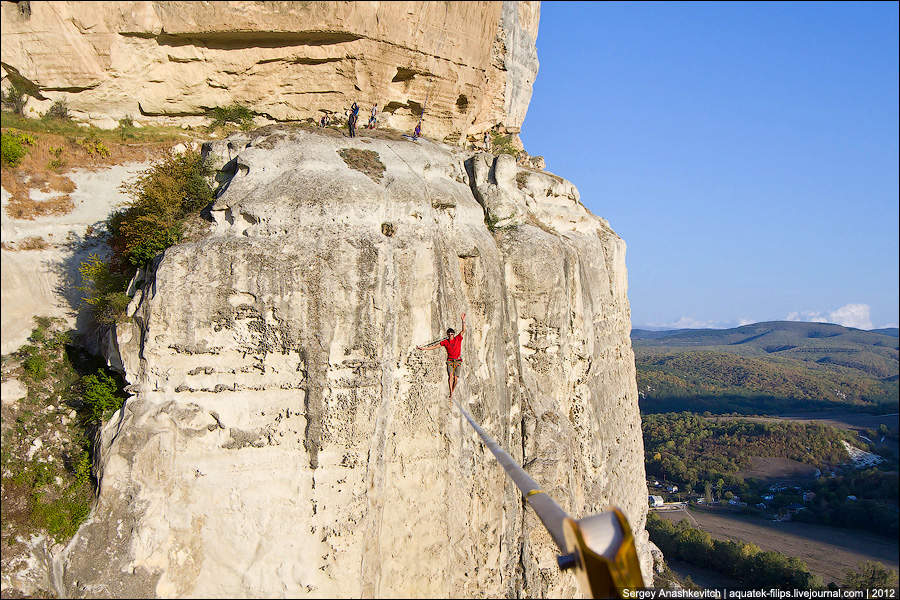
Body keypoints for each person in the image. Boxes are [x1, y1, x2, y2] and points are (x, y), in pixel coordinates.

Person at [417, 313, 466, 403]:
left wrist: (463, 321)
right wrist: (424, 348)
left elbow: (463, 330)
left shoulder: (458, 338)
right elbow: (435, 346)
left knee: (456, 378)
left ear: (454, 334)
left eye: (452, 334)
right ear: (447, 334)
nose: (451, 335)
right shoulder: (445, 342)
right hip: (450, 361)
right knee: (450, 376)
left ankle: (452, 391)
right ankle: (451, 392)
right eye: (449, 334)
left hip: (458, 360)